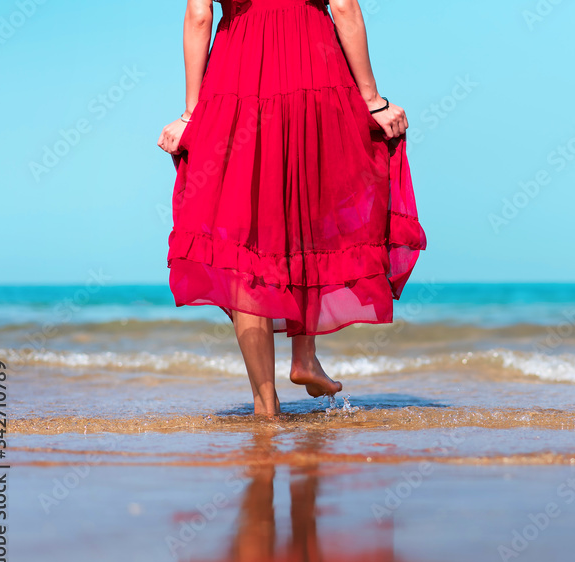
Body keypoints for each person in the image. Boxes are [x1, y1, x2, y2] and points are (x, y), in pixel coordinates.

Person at [156, 0, 426, 416]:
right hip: (313, 71)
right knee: (312, 211)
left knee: (244, 243)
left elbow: (199, 16)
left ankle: (266, 403)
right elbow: (344, 7)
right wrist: (373, 100)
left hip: (237, 80)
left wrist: (191, 113)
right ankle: (304, 357)